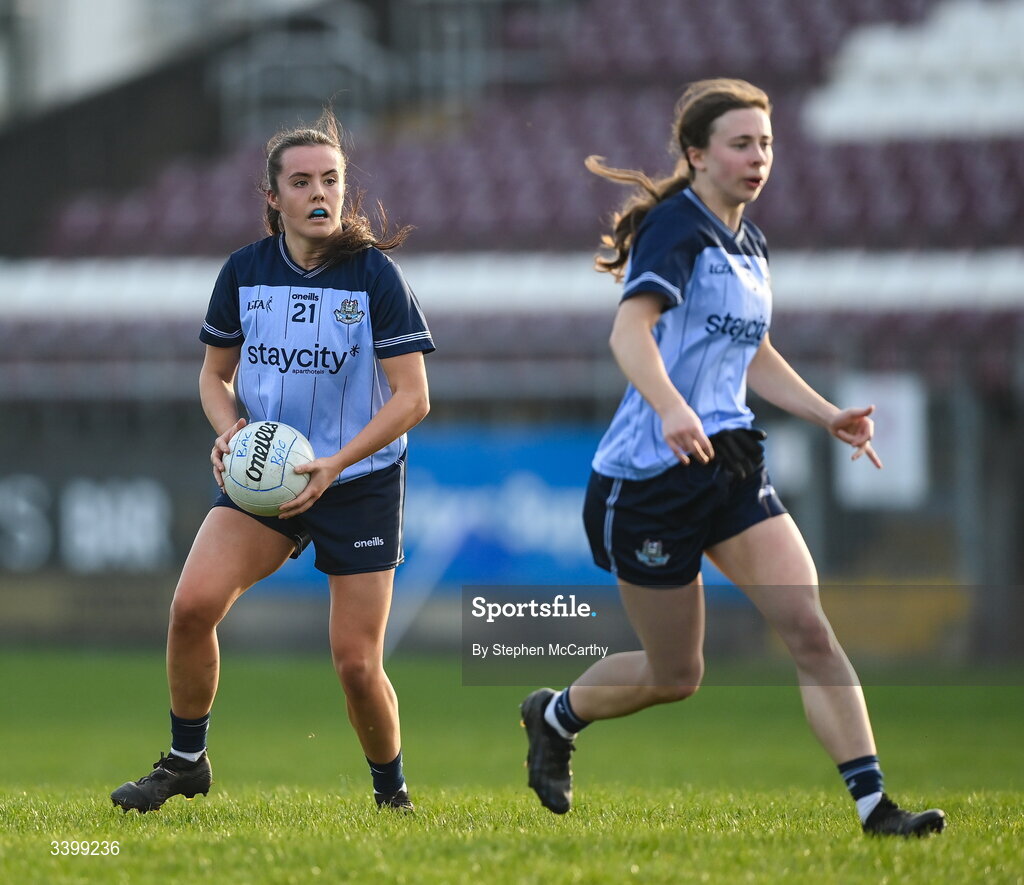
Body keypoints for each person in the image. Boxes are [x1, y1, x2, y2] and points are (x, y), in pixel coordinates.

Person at [520, 78, 945, 837]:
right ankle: (554, 714)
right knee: (676, 676)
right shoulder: (676, 229)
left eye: (767, 143)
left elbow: (753, 353)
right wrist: (674, 410)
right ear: (697, 154)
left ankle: (876, 807)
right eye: (741, 143)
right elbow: (629, 335)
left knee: (810, 627)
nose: (759, 158)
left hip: (731, 464)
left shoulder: (750, 240)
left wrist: (827, 414)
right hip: (648, 480)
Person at [111, 109, 433, 814]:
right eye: (302, 181)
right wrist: (229, 431)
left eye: (332, 179)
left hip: (359, 480)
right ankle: (186, 760)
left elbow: (413, 399)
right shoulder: (244, 273)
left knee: (355, 662)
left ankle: (392, 795)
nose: (320, 192)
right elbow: (213, 377)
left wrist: (334, 462)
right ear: (273, 197)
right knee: (192, 607)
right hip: (266, 474)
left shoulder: (375, 276)